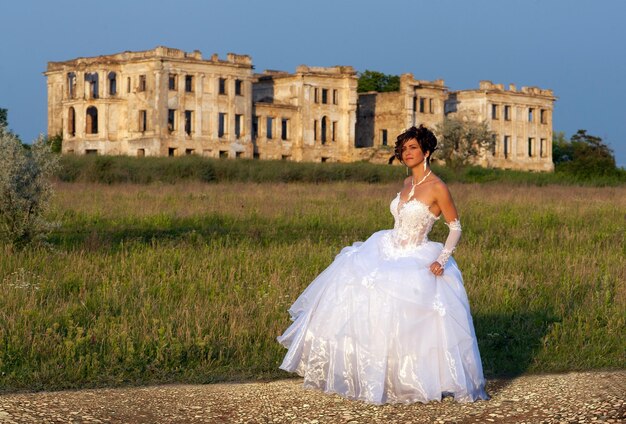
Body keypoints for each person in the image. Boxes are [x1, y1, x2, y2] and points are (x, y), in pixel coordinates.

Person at [276, 125, 489, 404]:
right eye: (403, 148)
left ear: (426, 151)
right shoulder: (406, 184)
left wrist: (441, 260)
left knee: (404, 310)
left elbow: (456, 227)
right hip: (386, 246)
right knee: (352, 281)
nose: (407, 152)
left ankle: (413, 380)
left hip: (417, 253)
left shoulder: (438, 187)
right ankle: (367, 373)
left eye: (413, 147)